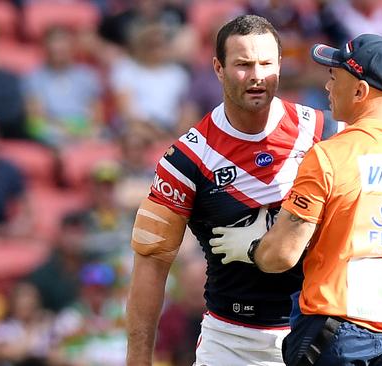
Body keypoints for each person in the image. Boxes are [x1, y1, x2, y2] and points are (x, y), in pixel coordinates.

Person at [210, 34, 382, 365]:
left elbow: (282, 255)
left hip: (339, 339)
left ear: (359, 91)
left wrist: (251, 247)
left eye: (334, 77)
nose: (326, 86)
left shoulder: (329, 157)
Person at [125, 15, 340, 366]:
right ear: (218, 68)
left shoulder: (326, 132)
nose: (257, 75)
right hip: (231, 344)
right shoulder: (188, 157)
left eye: (266, 63)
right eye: (243, 64)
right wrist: (137, 360)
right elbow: (151, 261)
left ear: (280, 66)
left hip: (319, 335)